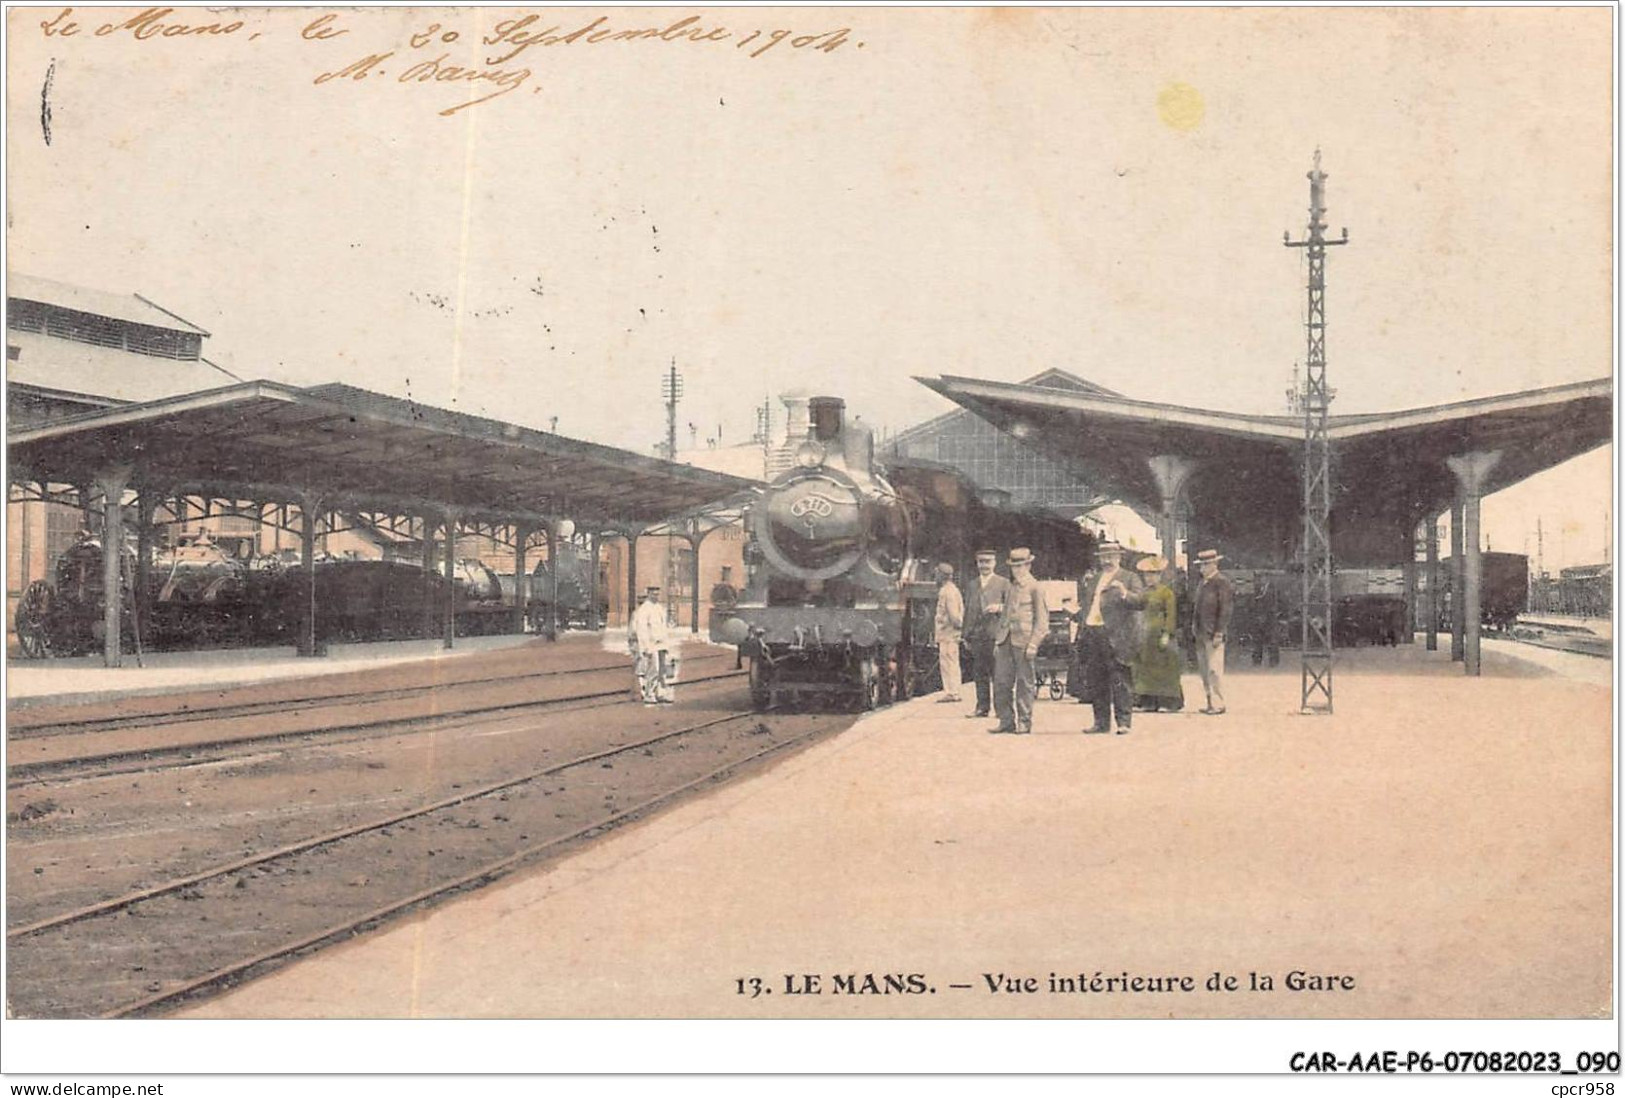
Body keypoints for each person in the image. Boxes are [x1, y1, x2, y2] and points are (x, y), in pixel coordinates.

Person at [1074, 539, 1144, 734]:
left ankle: (1123, 723)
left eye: (1111, 556)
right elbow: (1088, 605)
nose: (1107, 560)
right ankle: (1100, 723)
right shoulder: (1095, 579)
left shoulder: (1130, 578)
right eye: (1104, 556)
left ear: (1119, 557)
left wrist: (1125, 593)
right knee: (1096, 680)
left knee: (1120, 680)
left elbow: (1141, 601)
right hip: (1093, 632)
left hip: (1116, 636)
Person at [990, 547, 1048, 734]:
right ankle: (1006, 720)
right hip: (1006, 640)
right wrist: (999, 641)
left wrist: (1033, 644)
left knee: (1025, 683)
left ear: (1028, 565)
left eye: (1020, 566)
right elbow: (1005, 616)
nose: (1017, 570)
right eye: (1014, 567)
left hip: (1024, 641)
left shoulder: (1035, 587)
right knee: (1001, 682)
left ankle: (1024, 721)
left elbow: (1042, 621)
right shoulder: (1011, 587)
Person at [961, 548, 1012, 719]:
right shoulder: (972, 584)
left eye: (988, 561)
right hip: (977, 636)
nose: (984, 565)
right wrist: (966, 635)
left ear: (995, 563)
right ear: (977, 563)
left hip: (996, 635)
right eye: (981, 562)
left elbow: (1012, 607)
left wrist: (999, 607)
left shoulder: (1004, 583)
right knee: (980, 673)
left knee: (999, 674)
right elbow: (968, 610)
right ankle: (982, 708)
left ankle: (1001, 710)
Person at [1131, 555, 1184, 712]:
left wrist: (1167, 634)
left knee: (1165, 670)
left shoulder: (1167, 593)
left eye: (1153, 574)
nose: (1149, 578)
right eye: (1146, 575)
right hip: (1146, 637)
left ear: (1159, 575)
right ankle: (1149, 702)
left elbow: (1171, 614)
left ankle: (1169, 703)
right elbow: (1137, 606)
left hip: (1161, 636)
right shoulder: (1144, 592)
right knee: (1146, 669)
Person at [1193, 548, 1234, 715]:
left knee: (1214, 669)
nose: (1202, 568)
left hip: (1213, 632)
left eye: (1205, 564)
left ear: (1214, 564)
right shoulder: (1203, 583)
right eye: (1201, 565)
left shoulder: (1221, 582)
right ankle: (1210, 702)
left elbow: (1225, 609)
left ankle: (1218, 703)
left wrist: (1220, 631)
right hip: (1201, 632)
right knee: (1204, 669)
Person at [629, 585, 679, 705]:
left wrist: (667, 644)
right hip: (651, 644)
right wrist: (645, 646)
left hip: (661, 644)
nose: (656, 596)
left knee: (662, 670)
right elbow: (642, 629)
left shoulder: (660, 608)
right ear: (648, 594)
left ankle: (660, 693)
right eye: (653, 594)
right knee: (653, 670)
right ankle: (649, 694)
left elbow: (663, 627)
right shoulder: (644, 610)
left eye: (657, 594)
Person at [933, 562, 964, 702]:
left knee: (948, 662)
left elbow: (954, 615)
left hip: (948, 633)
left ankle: (952, 692)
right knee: (950, 661)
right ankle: (953, 691)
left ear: (942, 575)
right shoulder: (951, 590)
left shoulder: (947, 591)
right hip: (948, 633)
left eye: (937, 573)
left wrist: (957, 627)